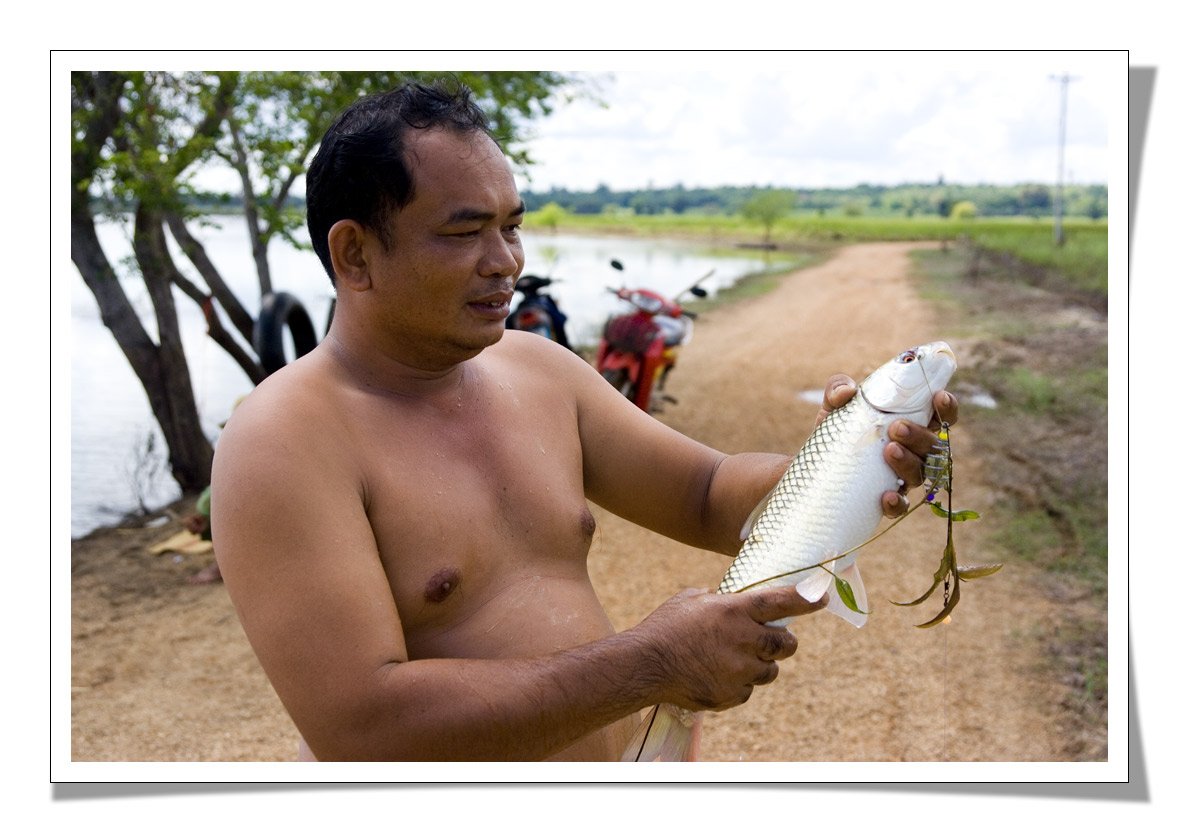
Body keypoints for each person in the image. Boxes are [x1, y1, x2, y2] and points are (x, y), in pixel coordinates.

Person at [211, 81, 957, 762]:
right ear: (355, 253)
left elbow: (707, 493)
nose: (503, 260)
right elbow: (362, 728)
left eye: (511, 225)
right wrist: (652, 662)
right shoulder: (283, 441)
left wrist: (853, 457)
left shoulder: (537, 369)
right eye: (463, 231)